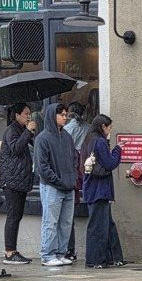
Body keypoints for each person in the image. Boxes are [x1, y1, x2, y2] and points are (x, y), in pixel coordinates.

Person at [34, 103, 77, 267]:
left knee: (66, 223)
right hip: (52, 187)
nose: (65, 118)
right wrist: (57, 180)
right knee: (50, 222)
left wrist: (72, 177)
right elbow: (42, 167)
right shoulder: (42, 138)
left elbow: (74, 158)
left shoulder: (67, 137)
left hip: (68, 186)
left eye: (66, 115)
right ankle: (47, 255)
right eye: (62, 115)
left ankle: (60, 253)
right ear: (53, 116)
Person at [81, 115, 126, 268]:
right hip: (99, 190)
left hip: (92, 188)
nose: (110, 130)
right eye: (109, 127)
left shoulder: (88, 140)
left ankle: (113, 257)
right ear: (103, 127)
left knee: (106, 225)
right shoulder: (100, 141)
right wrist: (118, 149)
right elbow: (110, 163)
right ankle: (96, 260)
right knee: (99, 227)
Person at [0, 102, 38, 265]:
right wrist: (28, 131)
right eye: (25, 113)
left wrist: (30, 133)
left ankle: (12, 250)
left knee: (17, 215)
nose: (28, 116)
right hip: (12, 180)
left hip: (20, 180)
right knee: (13, 215)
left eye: (29, 114)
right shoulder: (11, 130)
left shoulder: (21, 130)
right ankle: (9, 252)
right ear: (17, 115)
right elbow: (16, 148)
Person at [63, 102, 89, 261]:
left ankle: (67, 249)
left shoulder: (66, 130)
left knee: (66, 216)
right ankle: (70, 250)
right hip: (83, 165)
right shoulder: (87, 127)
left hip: (71, 167)